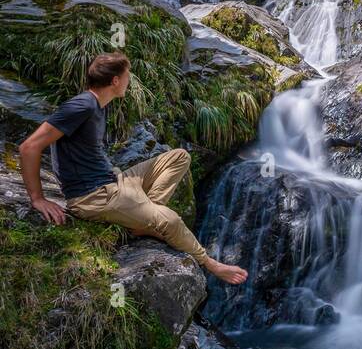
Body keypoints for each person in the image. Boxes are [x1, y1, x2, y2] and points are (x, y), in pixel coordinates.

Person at [19, 51, 247, 285]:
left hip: (115, 182)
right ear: (116, 80)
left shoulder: (99, 105)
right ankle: (212, 264)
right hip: (93, 196)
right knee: (169, 220)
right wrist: (38, 198)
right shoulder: (82, 105)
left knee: (179, 156)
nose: (130, 80)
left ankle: (145, 219)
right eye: (127, 75)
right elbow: (29, 147)